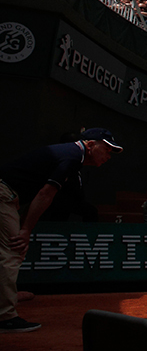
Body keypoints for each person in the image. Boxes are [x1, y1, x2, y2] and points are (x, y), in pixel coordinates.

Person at [0, 128, 121, 332]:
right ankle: (5, 316)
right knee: (14, 250)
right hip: (4, 196)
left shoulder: (70, 155)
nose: (109, 155)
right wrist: (26, 230)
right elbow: (45, 194)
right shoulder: (73, 157)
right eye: (107, 149)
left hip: (9, 197)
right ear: (91, 145)